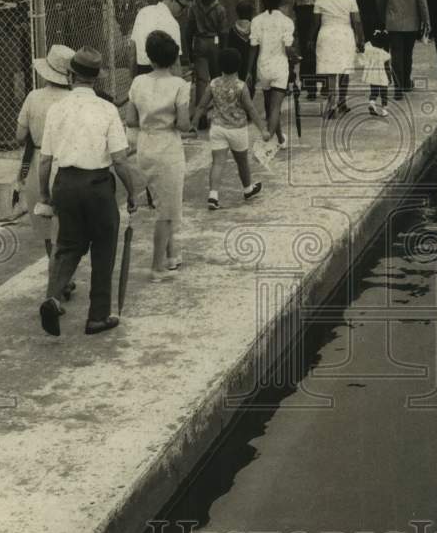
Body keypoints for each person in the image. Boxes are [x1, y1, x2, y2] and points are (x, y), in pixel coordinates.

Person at [36, 47, 140, 337]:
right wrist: (131, 194)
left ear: (70, 75)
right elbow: (120, 159)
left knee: (67, 246)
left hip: (65, 184)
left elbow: (44, 161)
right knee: (104, 248)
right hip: (98, 186)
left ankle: (53, 296)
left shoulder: (57, 110)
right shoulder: (107, 109)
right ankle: (97, 316)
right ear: (97, 79)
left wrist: (45, 195)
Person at [126, 32, 192, 283]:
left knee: (165, 201)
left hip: (146, 144)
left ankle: (172, 254)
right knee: (167, 208)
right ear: (174, 57)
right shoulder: (178, 85)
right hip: (168, 145)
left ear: (150, 57)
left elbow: (131, 120)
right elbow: (184, 125)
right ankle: (157, 266)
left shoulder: (138, 82)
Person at [16, 44, 76, 298]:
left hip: (39, 160)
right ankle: (59, 281)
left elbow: (20, 136)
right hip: (67, 163)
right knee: (66, 229)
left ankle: (58, 278)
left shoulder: (33, 97)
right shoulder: (73, 101)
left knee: (47, 229)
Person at [194, 48, 270, 210]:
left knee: (218, 163)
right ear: (238, 66)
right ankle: (248, 189)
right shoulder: (241, 86)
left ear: (220, 65)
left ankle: (213, 195)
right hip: (238, 130)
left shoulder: (213, 84)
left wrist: (193, 124)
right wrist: (262, 129)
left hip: (217, 128)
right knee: (242, 162)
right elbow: (250, 109)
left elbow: (201, 106)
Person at [375, 0, 429, 100]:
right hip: (412, 24)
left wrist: (384, 18)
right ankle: (406, 82)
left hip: (393, 23)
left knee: (396, 55)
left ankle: (398, 87)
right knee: (408, 54)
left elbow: (380, 1)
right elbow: (422, 2)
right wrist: (426, 22)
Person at [248, 0, 296, 151]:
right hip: (280, 66)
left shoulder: (256, 21)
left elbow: (253, 47)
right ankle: (267, 138)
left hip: (263, 66)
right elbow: (288, 48)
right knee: (276, 107)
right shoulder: (287, 21)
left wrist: (249, 71)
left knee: (270, 106)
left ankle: (281, 139)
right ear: (281, 2)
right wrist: (295, 57)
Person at [313, 0, 363, 118]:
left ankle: (332, 103)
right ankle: (342, 101)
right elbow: (357, 21)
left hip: (326, 34)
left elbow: (315, 23)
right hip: (345, 34)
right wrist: (360, 38)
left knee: (330, 71)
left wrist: (310, 39)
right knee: (344, 69)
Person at [129, 0, 193, 78]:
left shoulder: (143, 12)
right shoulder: (172, 23)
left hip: (141, 70)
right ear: (172, 0)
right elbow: (175, 63)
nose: (183, 12)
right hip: (162, 74)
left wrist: (134, 78)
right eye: (183, 7)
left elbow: (133, 50)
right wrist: (179, 83)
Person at [186, 0, 227, 112]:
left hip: (199, 42)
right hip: (214, 42)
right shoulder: (220, 9)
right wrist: (224, 50)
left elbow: (188, 32)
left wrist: (190, 53)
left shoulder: (194, 8)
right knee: (217, 78)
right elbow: (223, 32)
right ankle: (220, 111)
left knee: (202, 81)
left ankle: (201, 115)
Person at [290, 0, 324, 100]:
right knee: (319, 48)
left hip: (301, 11)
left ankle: (307, 83)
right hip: (317, 11)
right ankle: (322, 83)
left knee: (305, 47)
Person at [361, 29, 391, 118]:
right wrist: (389, 77)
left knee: (373, 92)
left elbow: (362, 61)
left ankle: (372, 103)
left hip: (371, 75)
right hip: (382, 76)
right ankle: (384, 109)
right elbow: (386, 67)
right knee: (384, 93)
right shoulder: (384, 54)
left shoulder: (368, 49)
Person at [227, 0, 254, 83]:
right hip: (250, 64)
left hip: (236, 65)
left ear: (238, 13)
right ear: (250, 13)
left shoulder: (232, 30)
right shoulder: (254, 29)